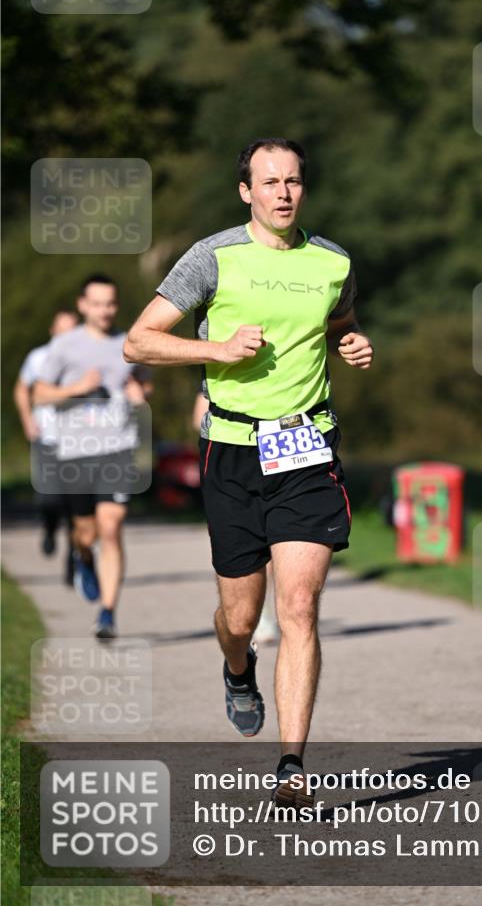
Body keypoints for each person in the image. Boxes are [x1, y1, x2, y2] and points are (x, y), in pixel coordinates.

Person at [125, 138, 373, 805]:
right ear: (246, 192)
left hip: (306, 448)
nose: (283, 193)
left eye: (293, 181)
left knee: (299, 605)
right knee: (240, 617)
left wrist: (347, 338)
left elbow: (337, 317)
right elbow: (139, 339)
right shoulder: (213, 257)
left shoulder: (333, 261)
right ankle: (238, 669)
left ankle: (292, 765)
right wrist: (218, 348)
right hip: (232, 453)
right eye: (269, 182)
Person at [33, 275, 152, 640]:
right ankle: (83, 557)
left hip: (117, 450)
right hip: (74, 453)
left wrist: (139, 395)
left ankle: (107, 614)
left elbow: (145, 386)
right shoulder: (65, 346)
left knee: (112, 530)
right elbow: (39, 394)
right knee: (86, 533)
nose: (105, 310)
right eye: (98, 303)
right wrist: (76, 389)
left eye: (111, 303)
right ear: (83, 305)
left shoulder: (129, 343)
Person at [193, 391, 279, 644]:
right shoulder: (222, 369)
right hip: (232, 458)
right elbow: (197, 418)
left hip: (283, 457)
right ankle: (253, 610)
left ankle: (265, 611)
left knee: (277, 545)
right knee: (239, 614)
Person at [14, 310, 79, 580]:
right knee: (50, 499)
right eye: (62, 329)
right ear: (53, 331)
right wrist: (28, 420)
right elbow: (21, 389)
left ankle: (74, 557)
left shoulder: (85, 359)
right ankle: (51, 528)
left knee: (77, 505)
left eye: (73, 330)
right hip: (48, 439)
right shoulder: (38, 357)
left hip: (81, 442)